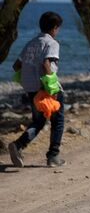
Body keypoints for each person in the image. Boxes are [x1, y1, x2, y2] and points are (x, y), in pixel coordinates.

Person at [8, 11, 66, 168]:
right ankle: (53, 156)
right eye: (58, 28)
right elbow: (47, 63)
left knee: (39, 121)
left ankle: (18, 145)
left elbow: (16, 66)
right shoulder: (52, 43)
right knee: (58, 121)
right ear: (55, 28)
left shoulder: (31, 43)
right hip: (48, 89)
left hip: (32, 91)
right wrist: (52, 87)